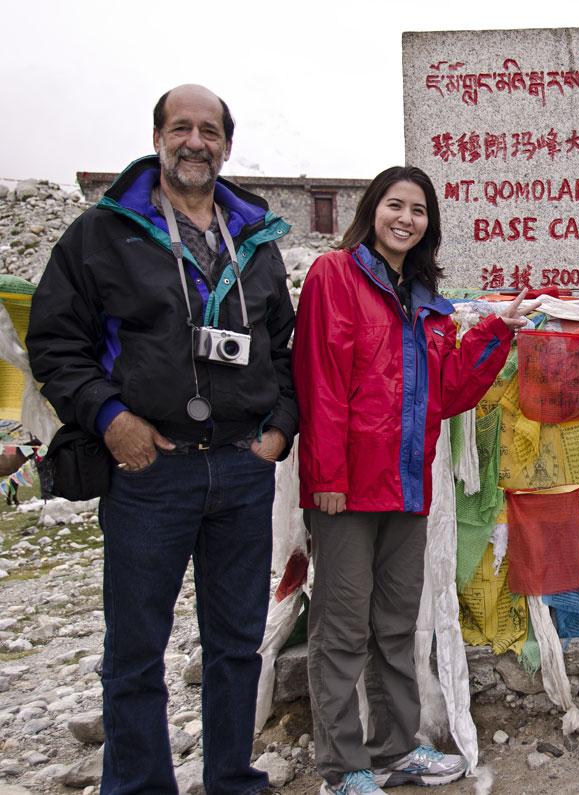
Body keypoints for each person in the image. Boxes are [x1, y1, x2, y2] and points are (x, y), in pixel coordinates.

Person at [27, 84, 297, 794]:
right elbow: (55, 343)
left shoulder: (257, 239)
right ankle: (141, 784)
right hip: (150, 472)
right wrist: (110, 418)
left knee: (237, 644)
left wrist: (280, 429)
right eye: (181, 128)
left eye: (209, 131)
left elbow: (284, 348)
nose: (195, 142)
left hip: (242, 469)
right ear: (158, 138)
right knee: (137, 650)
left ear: (227, 146)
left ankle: (231, 778)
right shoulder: (102, 233)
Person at [294, 166, 536, 795]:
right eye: (395, 205)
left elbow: (448, 391)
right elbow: (319, 381)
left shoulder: (425, 300)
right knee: (342, 630)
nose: (405, 218)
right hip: (345, 487)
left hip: (406, 484)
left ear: (430, 224)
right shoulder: (334, 275)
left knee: (396, 625)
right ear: (373, 209)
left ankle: (395, 751)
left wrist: (497, 330)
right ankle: (343, 768)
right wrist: (325, 475)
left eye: (419, 210)